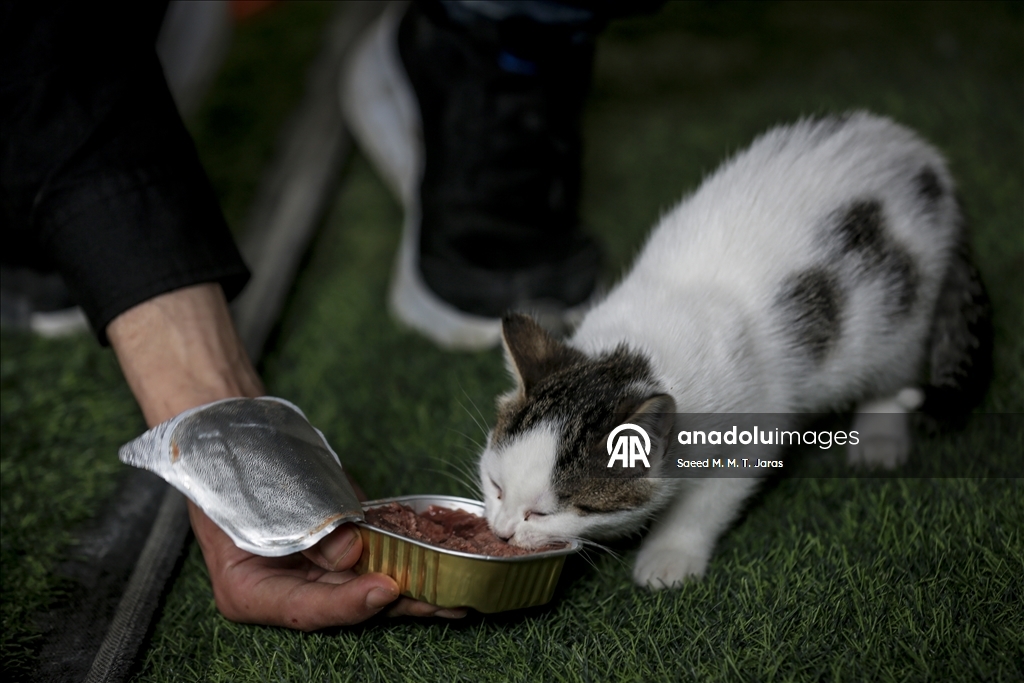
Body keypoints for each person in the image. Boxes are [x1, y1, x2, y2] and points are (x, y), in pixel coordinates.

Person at [1, 0, 655, 629]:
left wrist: (698, 510)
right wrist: (221, 427)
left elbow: (707, 447)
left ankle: (503, 33)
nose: (504, 529)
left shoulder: (679, 429)